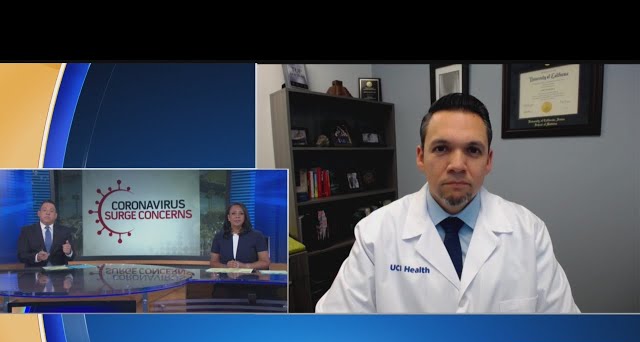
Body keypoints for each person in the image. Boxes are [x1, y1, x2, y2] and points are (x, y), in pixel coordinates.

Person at [316, 93, 579, 313]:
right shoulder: (375, 233)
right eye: (441, 148)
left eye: (473, 150)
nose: (457, 165)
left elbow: (564, 335)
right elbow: (334, 334)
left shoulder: (529, 232)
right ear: (421, 157)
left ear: (488, 160)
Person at [210, 203, 270, 270]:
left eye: (241, 213)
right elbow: (213, 262)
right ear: (228, 217)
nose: (237, 216)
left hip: (250, 276)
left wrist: (244, 266)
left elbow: (265, 262)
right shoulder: (219, 237)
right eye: (233, 213)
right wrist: (227, 267)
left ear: (245, 217)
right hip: (225, 275)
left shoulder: (257, 236)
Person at [17, 200, 76, 267]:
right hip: (36, 271)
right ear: (39, 213)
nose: (48, 213)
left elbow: (73, 256)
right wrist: (37, 257)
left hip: (58, 272)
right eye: (44, 210)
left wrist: (69, 252)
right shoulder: (27, 231)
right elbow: (21, 255)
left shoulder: (65, 231)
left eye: (51, 211)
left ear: (55, 215)